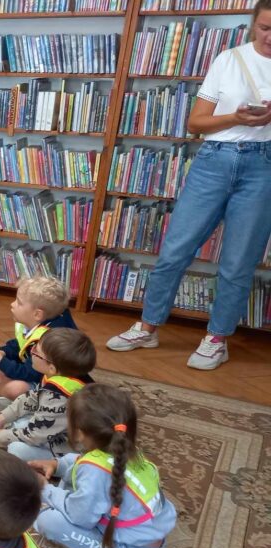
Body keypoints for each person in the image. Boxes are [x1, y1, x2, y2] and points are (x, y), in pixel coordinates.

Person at [107, 0, 271, 370]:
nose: (269, 36)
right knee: (175, 250)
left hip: (264, 165)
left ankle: (217, 338)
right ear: (252, 25)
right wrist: (238, 117)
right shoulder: (229, 59)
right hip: (214, 160)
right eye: (264, 27)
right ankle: (148, 327)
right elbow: (195, 124)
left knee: (238, 261)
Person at [32, 384, 178, 548]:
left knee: (48, 521)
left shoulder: (95, 472)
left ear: (80, 432)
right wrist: (56, 464)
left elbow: (80, 517)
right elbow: (86, 464)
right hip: (143, 541)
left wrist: (45, 489)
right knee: (74, 488)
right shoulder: (125, 450)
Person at [0, 328, 96, 462]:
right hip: (60, 426)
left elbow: (34, 435)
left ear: (52, 368)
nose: (31, 352)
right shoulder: (61, 374)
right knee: (22, 425)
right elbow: (32, 398)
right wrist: (1, 419)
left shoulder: (58, 396)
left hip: (75, 448)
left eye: (36, 352)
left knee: (16, 449)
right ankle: (20, 423)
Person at [0, 276, 78, 409]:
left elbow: (29, 373)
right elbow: (21, 343)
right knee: (0, 360)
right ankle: (14, 399)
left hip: (50, 389)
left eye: (19, 302)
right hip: (36, 371)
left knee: (16, 388)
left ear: (37, 314)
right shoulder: (43, 321)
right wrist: (2, 352)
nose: (12, 304)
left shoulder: (48, 342)